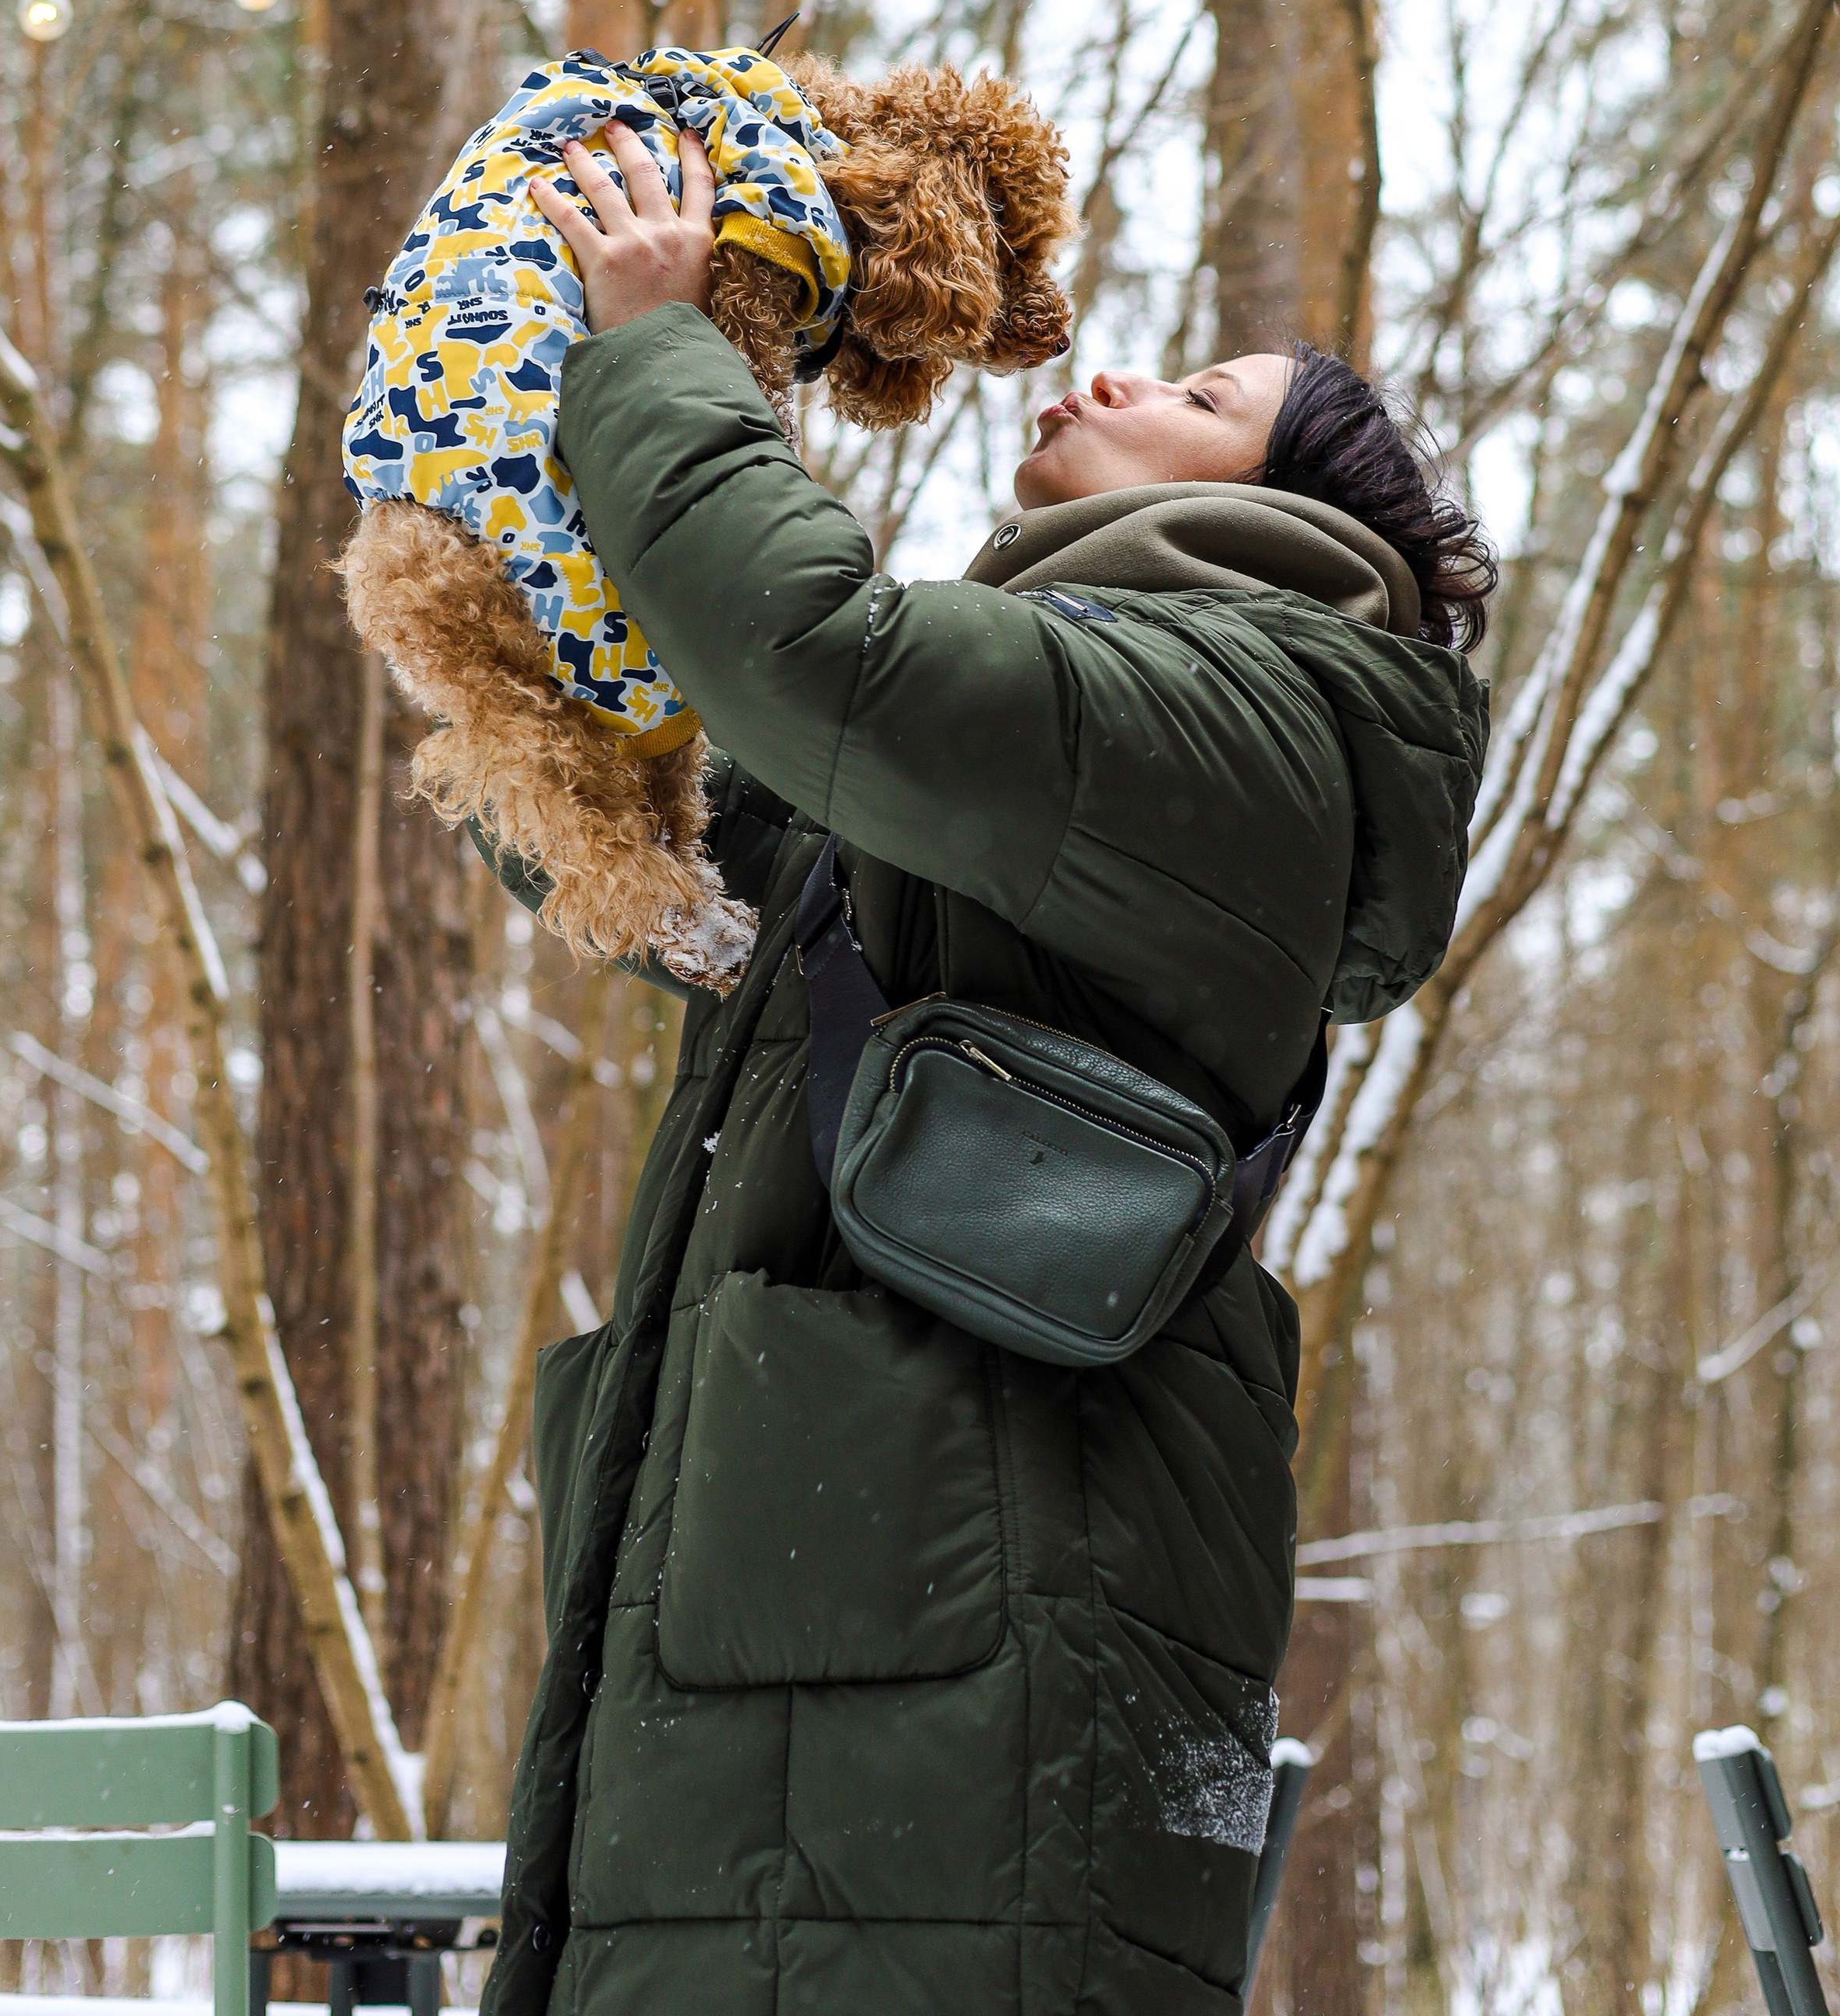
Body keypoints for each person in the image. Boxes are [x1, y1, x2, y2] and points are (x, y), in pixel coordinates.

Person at [476, 120, 1492, 2016]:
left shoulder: (1238, 706)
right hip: (835, 1651)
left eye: (1198, 398)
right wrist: (495, 580)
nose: (1109, 379)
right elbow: (679, 868)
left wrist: (663, 352)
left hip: (953, 1673)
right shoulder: (1063, 734)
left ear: (1300, 521)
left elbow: (809, 652)